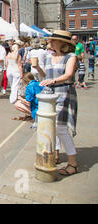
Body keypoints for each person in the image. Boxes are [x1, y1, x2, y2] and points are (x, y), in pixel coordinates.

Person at [35, 30, 79, 176]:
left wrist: (52, 81)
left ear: (63, 43)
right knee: (52, 126)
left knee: (60, 128)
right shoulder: (49, 57)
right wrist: (37, 68)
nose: (50, 42)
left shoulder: (70, 57)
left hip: (64, 92)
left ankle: (73, 163)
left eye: (53, 40)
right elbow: (46, 75)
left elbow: (68, 75)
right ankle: (56, 155)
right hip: (51, 95)